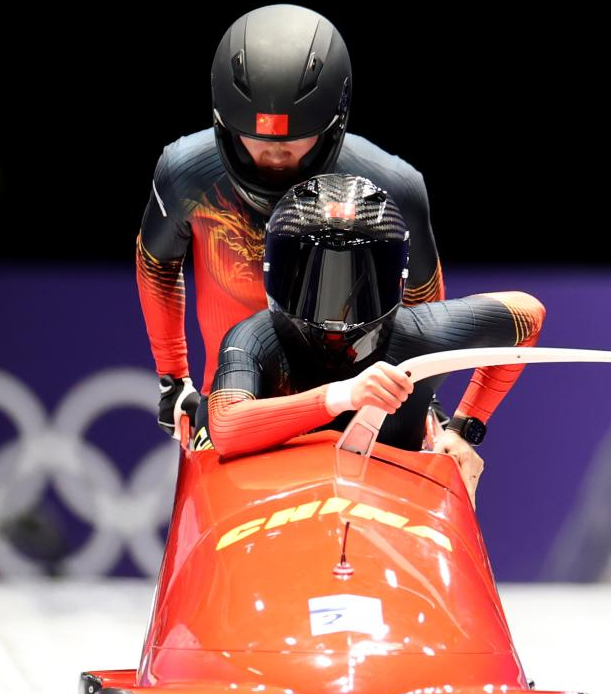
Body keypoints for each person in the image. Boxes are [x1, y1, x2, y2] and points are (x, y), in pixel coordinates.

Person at [135, 4, 471, 461]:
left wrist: (421, 395)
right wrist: (173, 379)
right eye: (257, 138)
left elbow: (421, 302)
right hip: (239, 407)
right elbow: (157, 266)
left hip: (367, 409)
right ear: (224, 123)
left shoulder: (394, 187)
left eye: (294, 139)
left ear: (334, 121)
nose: (275, 156)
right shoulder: (184, 174)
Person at [205, 175, 545, 507]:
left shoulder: (418, 332)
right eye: (314, 279)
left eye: (356, 280)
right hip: (275, 503)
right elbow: (225, 426)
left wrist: (463, 428)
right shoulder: (255, 338)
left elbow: (529, 314)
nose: (335, 311)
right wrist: (345, 394)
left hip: (389, 507)